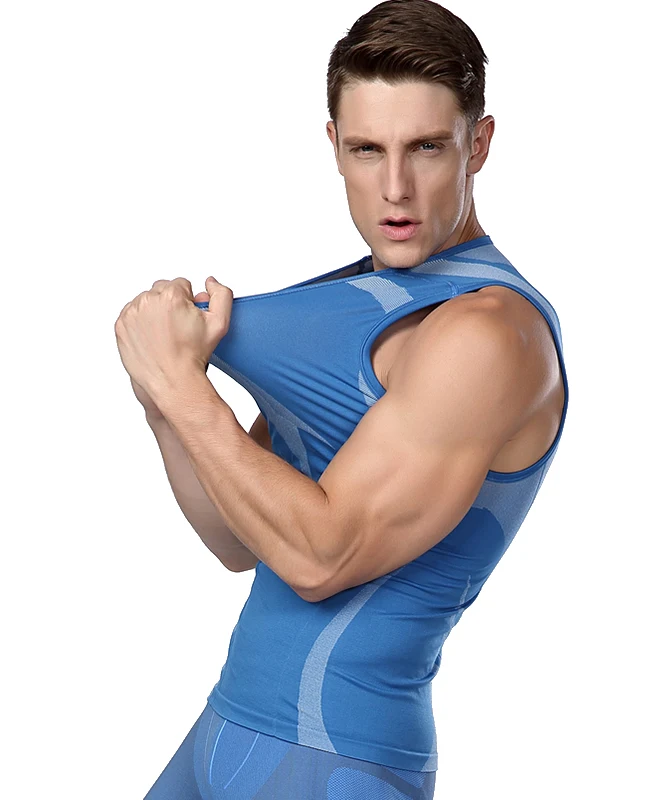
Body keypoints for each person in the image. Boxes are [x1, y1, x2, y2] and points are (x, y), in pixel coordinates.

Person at [115, 1, 569, 797]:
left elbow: (320, 557)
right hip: (227, 726)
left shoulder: (489, 335)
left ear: (479, 143)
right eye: (367, 149)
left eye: (427, 147)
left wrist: (185, 392)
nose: (395, 188)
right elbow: (239, 538)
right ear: (334, 146)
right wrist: (163, 399)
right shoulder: (356, 301)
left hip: (336, 760)